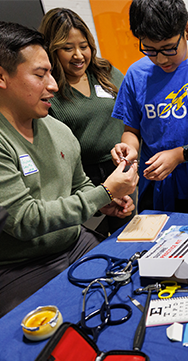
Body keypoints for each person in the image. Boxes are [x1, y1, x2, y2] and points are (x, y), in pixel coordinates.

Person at [0, 22, 138, 345]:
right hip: (9, 267)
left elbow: (78, 185)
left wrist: (104, 201)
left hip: (72, 243)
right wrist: (104, 192)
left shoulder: (55, 128)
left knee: (130, 302)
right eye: (40, 75)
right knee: (65, 347)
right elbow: (24, 221)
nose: (53, 85)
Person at [111, 0, 188, 215]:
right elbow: (132, 131)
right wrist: (129, 148)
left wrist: (180, 155)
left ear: (187, 31)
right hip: (155, 179)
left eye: (169, 48)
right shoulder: (136, 74)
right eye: (149, 50)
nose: (160, 59)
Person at [39, 8, 133, 236]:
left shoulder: (106, 72)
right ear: (52, 50)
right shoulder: (49, 89)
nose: (78, 55)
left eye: (83, 46)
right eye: (67, 48)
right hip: (80, 178)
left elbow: (131, 115)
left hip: (120, 167)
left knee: (129, 236)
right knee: (92, 244)